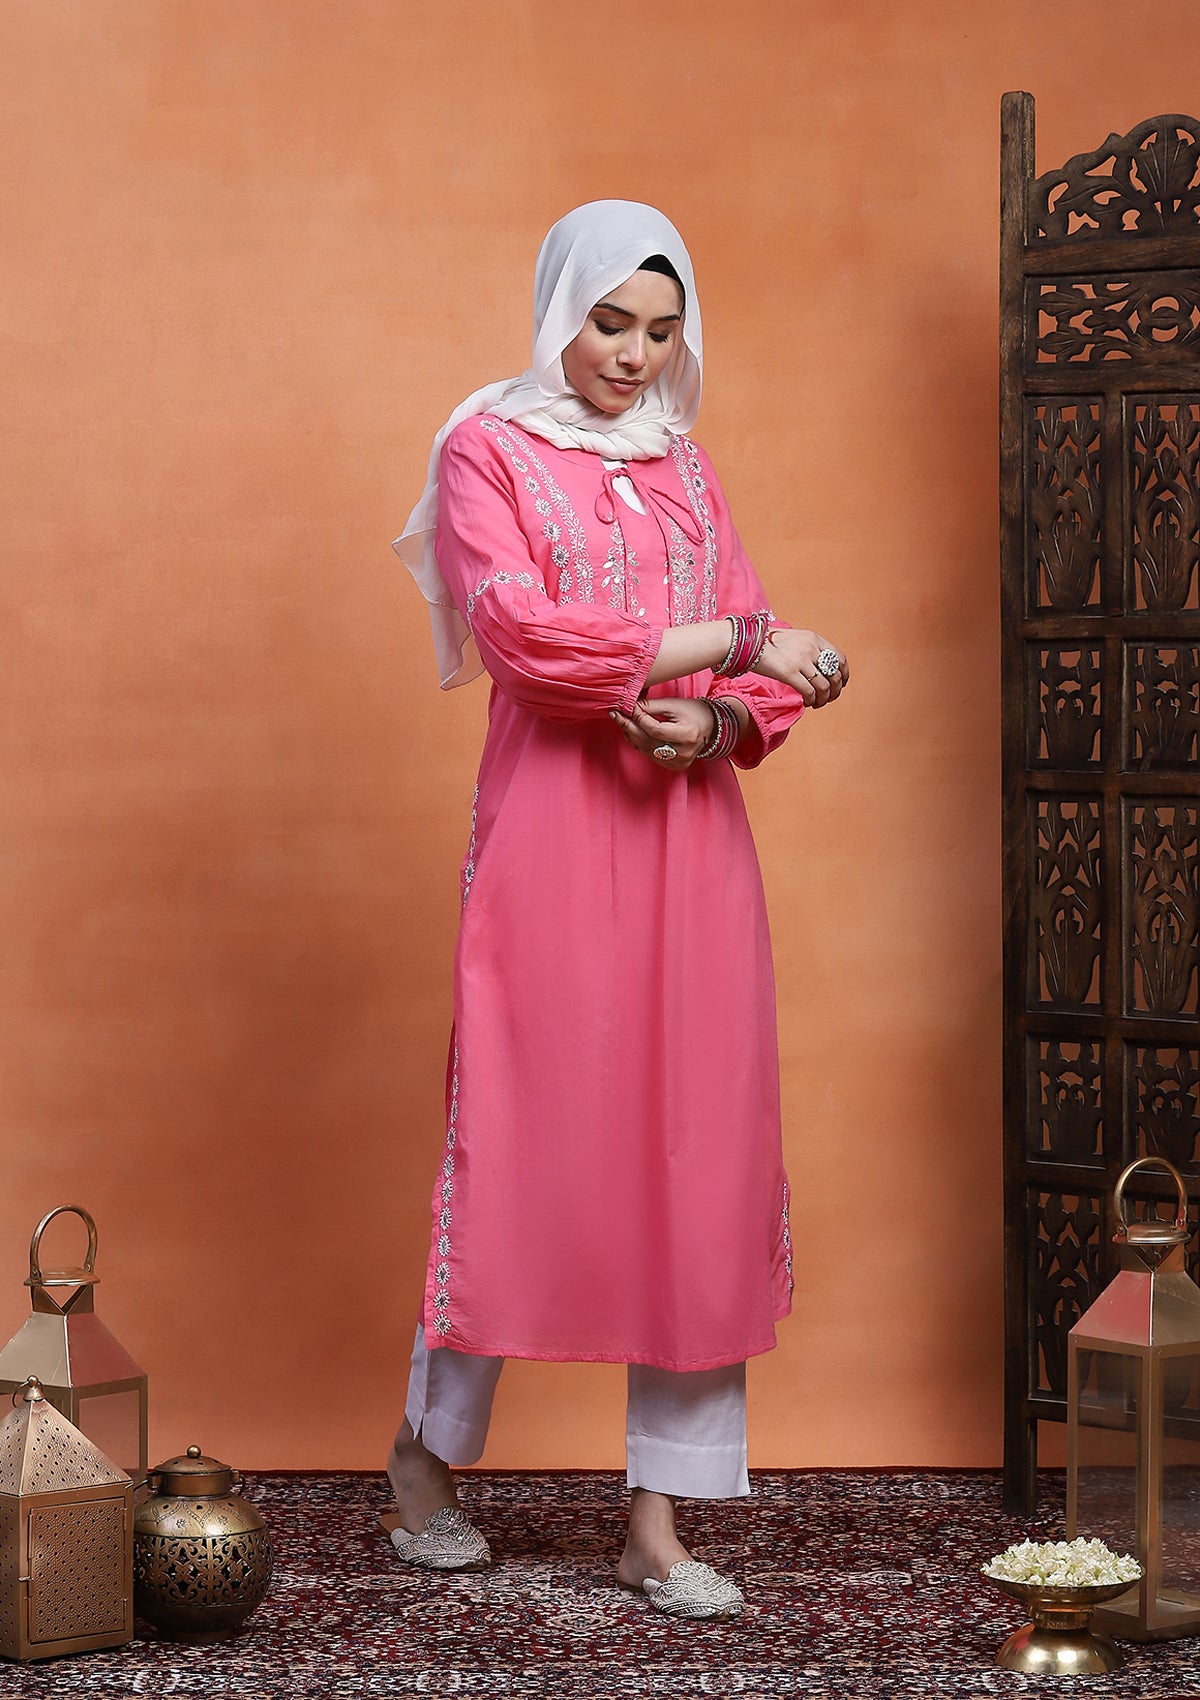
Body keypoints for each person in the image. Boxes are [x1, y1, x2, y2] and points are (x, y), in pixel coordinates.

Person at [386, 200, 848, 1621]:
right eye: (608, 323)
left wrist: (721, 714)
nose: (634, 356)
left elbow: (760, 672)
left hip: (689, 844)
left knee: (698, 1159)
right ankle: (423, 1461)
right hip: (550, 837)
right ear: (557, 314)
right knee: (520, 1135)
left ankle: (659, 1521)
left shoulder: (682, 466)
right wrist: (743, 641)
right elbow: (526, 642)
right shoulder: (486, 447)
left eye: (660, 330)